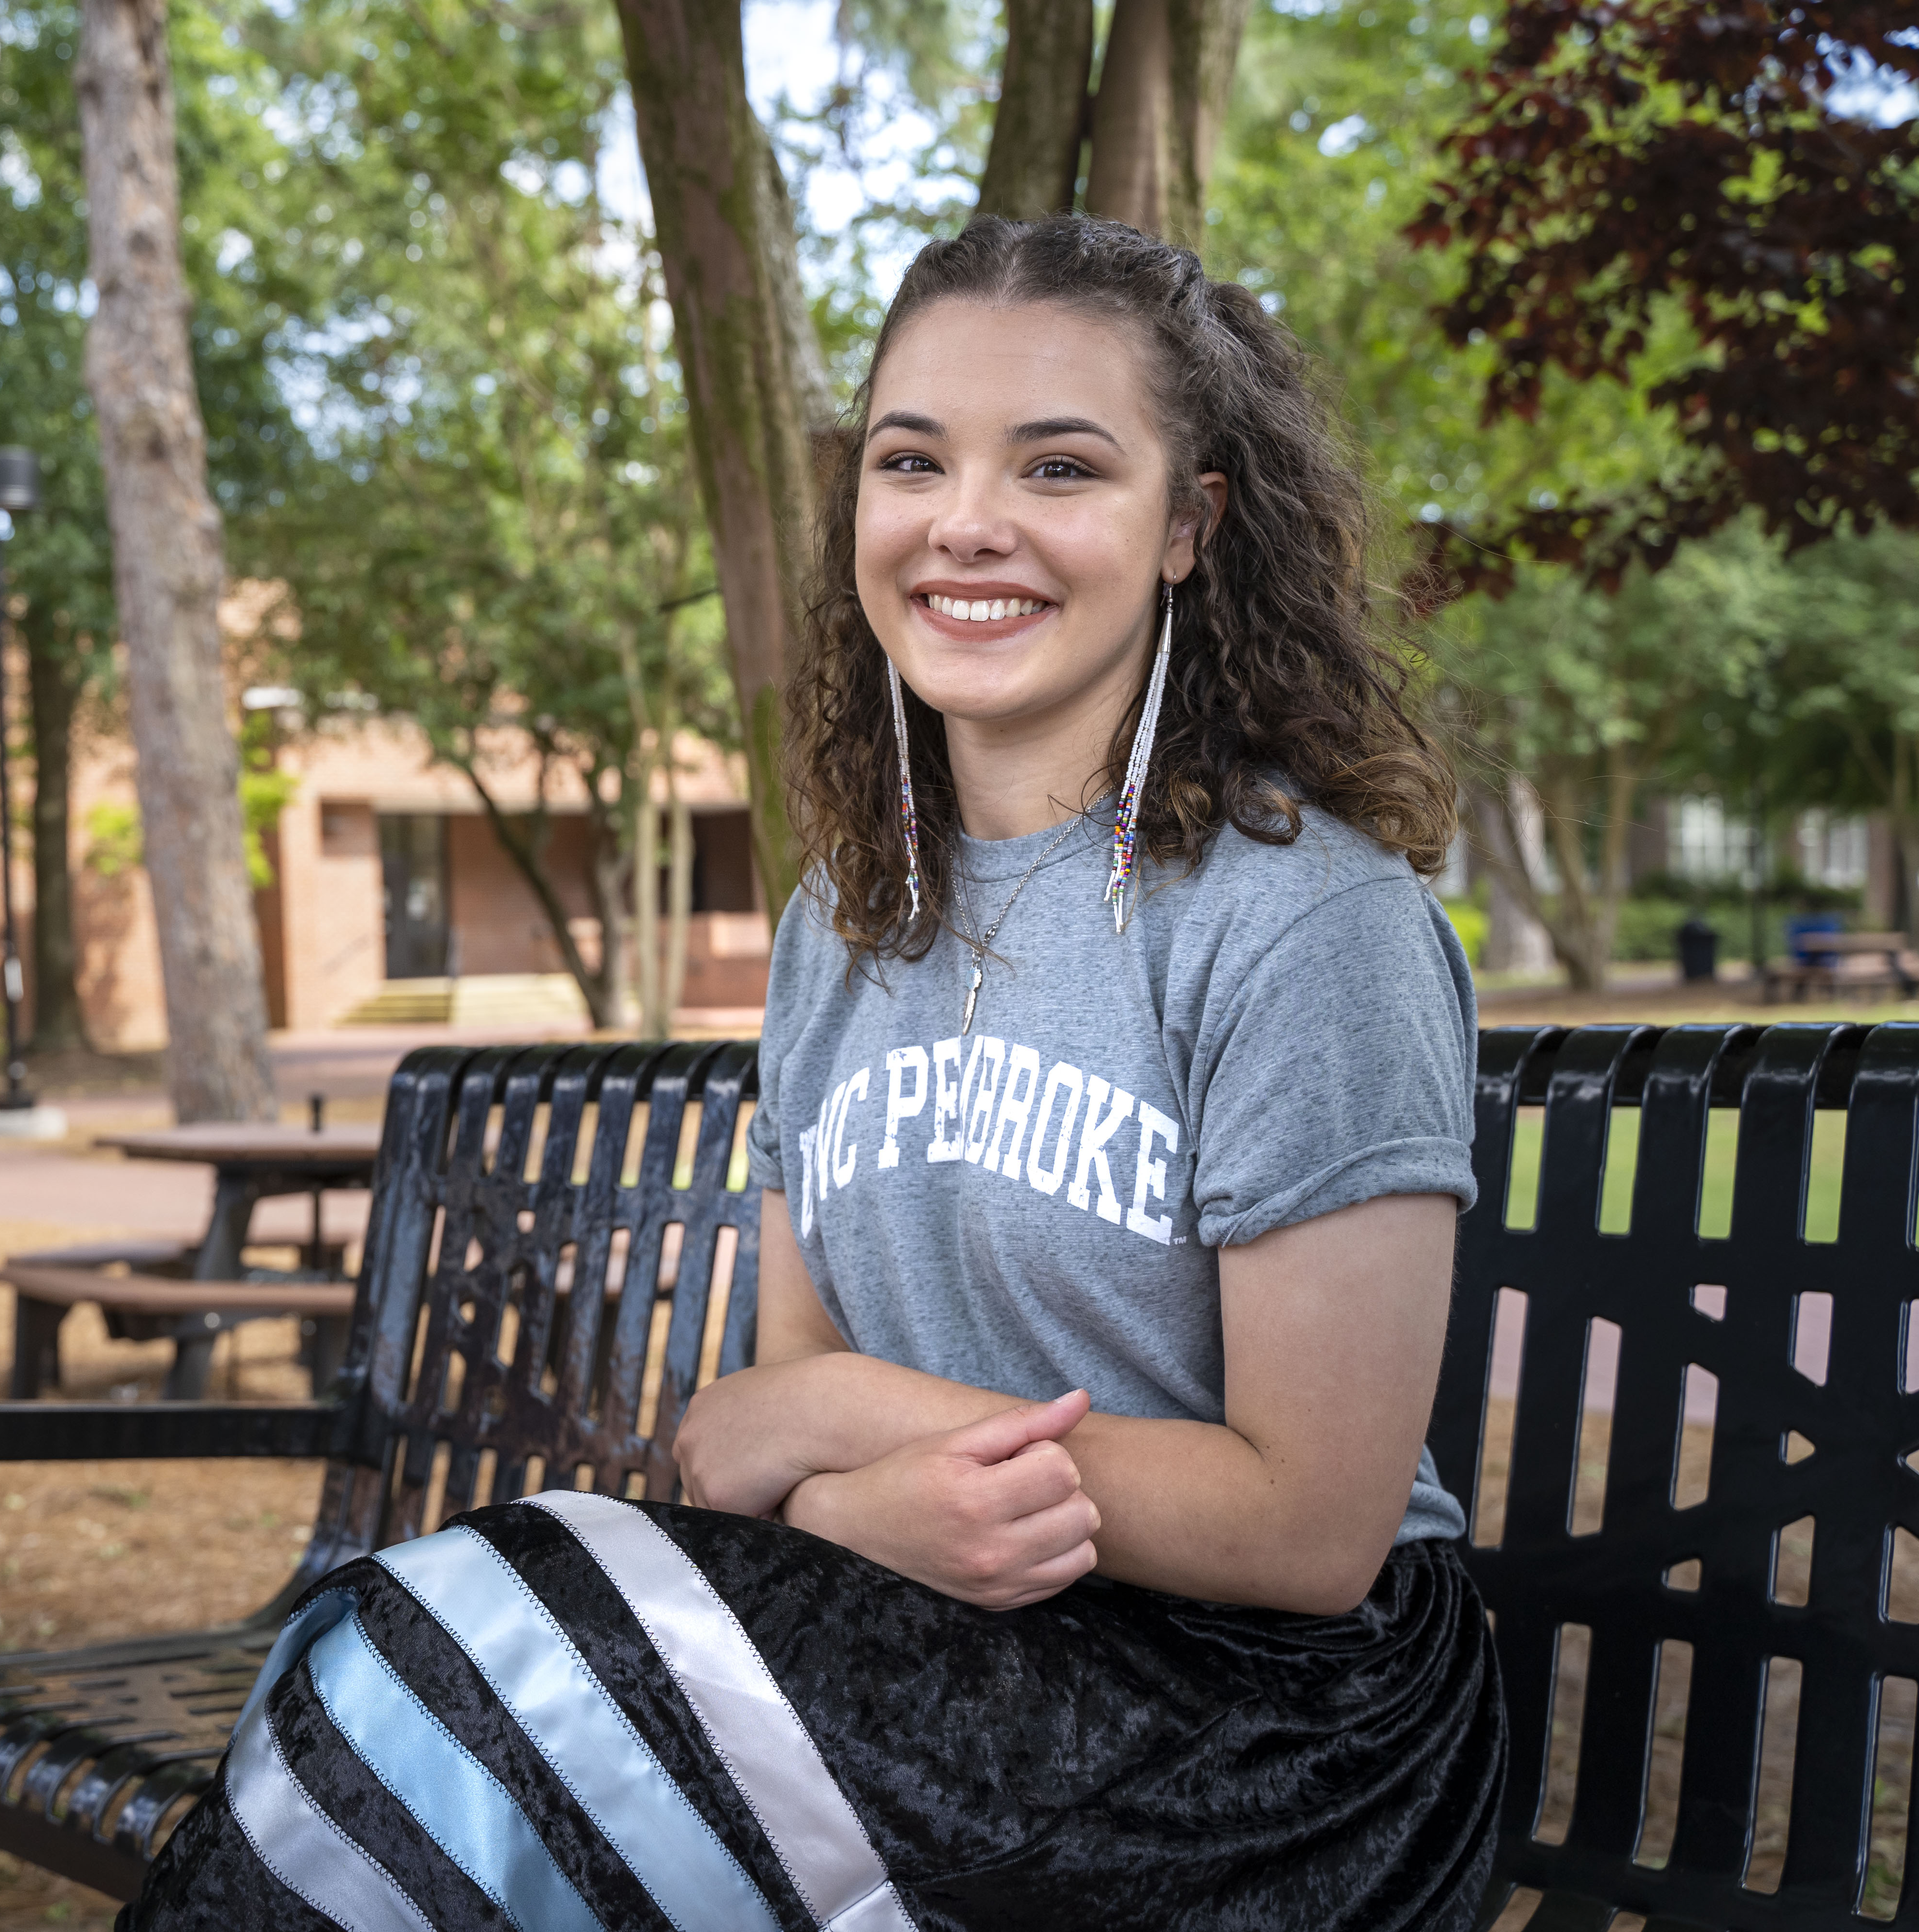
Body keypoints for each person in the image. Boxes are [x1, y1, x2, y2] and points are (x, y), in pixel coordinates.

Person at [125, 214, 1505, 1932]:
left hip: (1276, 1738)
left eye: (1059, 465)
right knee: (405, 1702)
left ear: (1188, 527)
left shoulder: (1311, 927)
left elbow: (1312, 1525)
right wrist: (869, 1499)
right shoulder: (844, 925)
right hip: (929, 1627)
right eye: (912, 458)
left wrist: (850, 1430)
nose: (967, 523)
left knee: (433, 1682)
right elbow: (747, 1437)